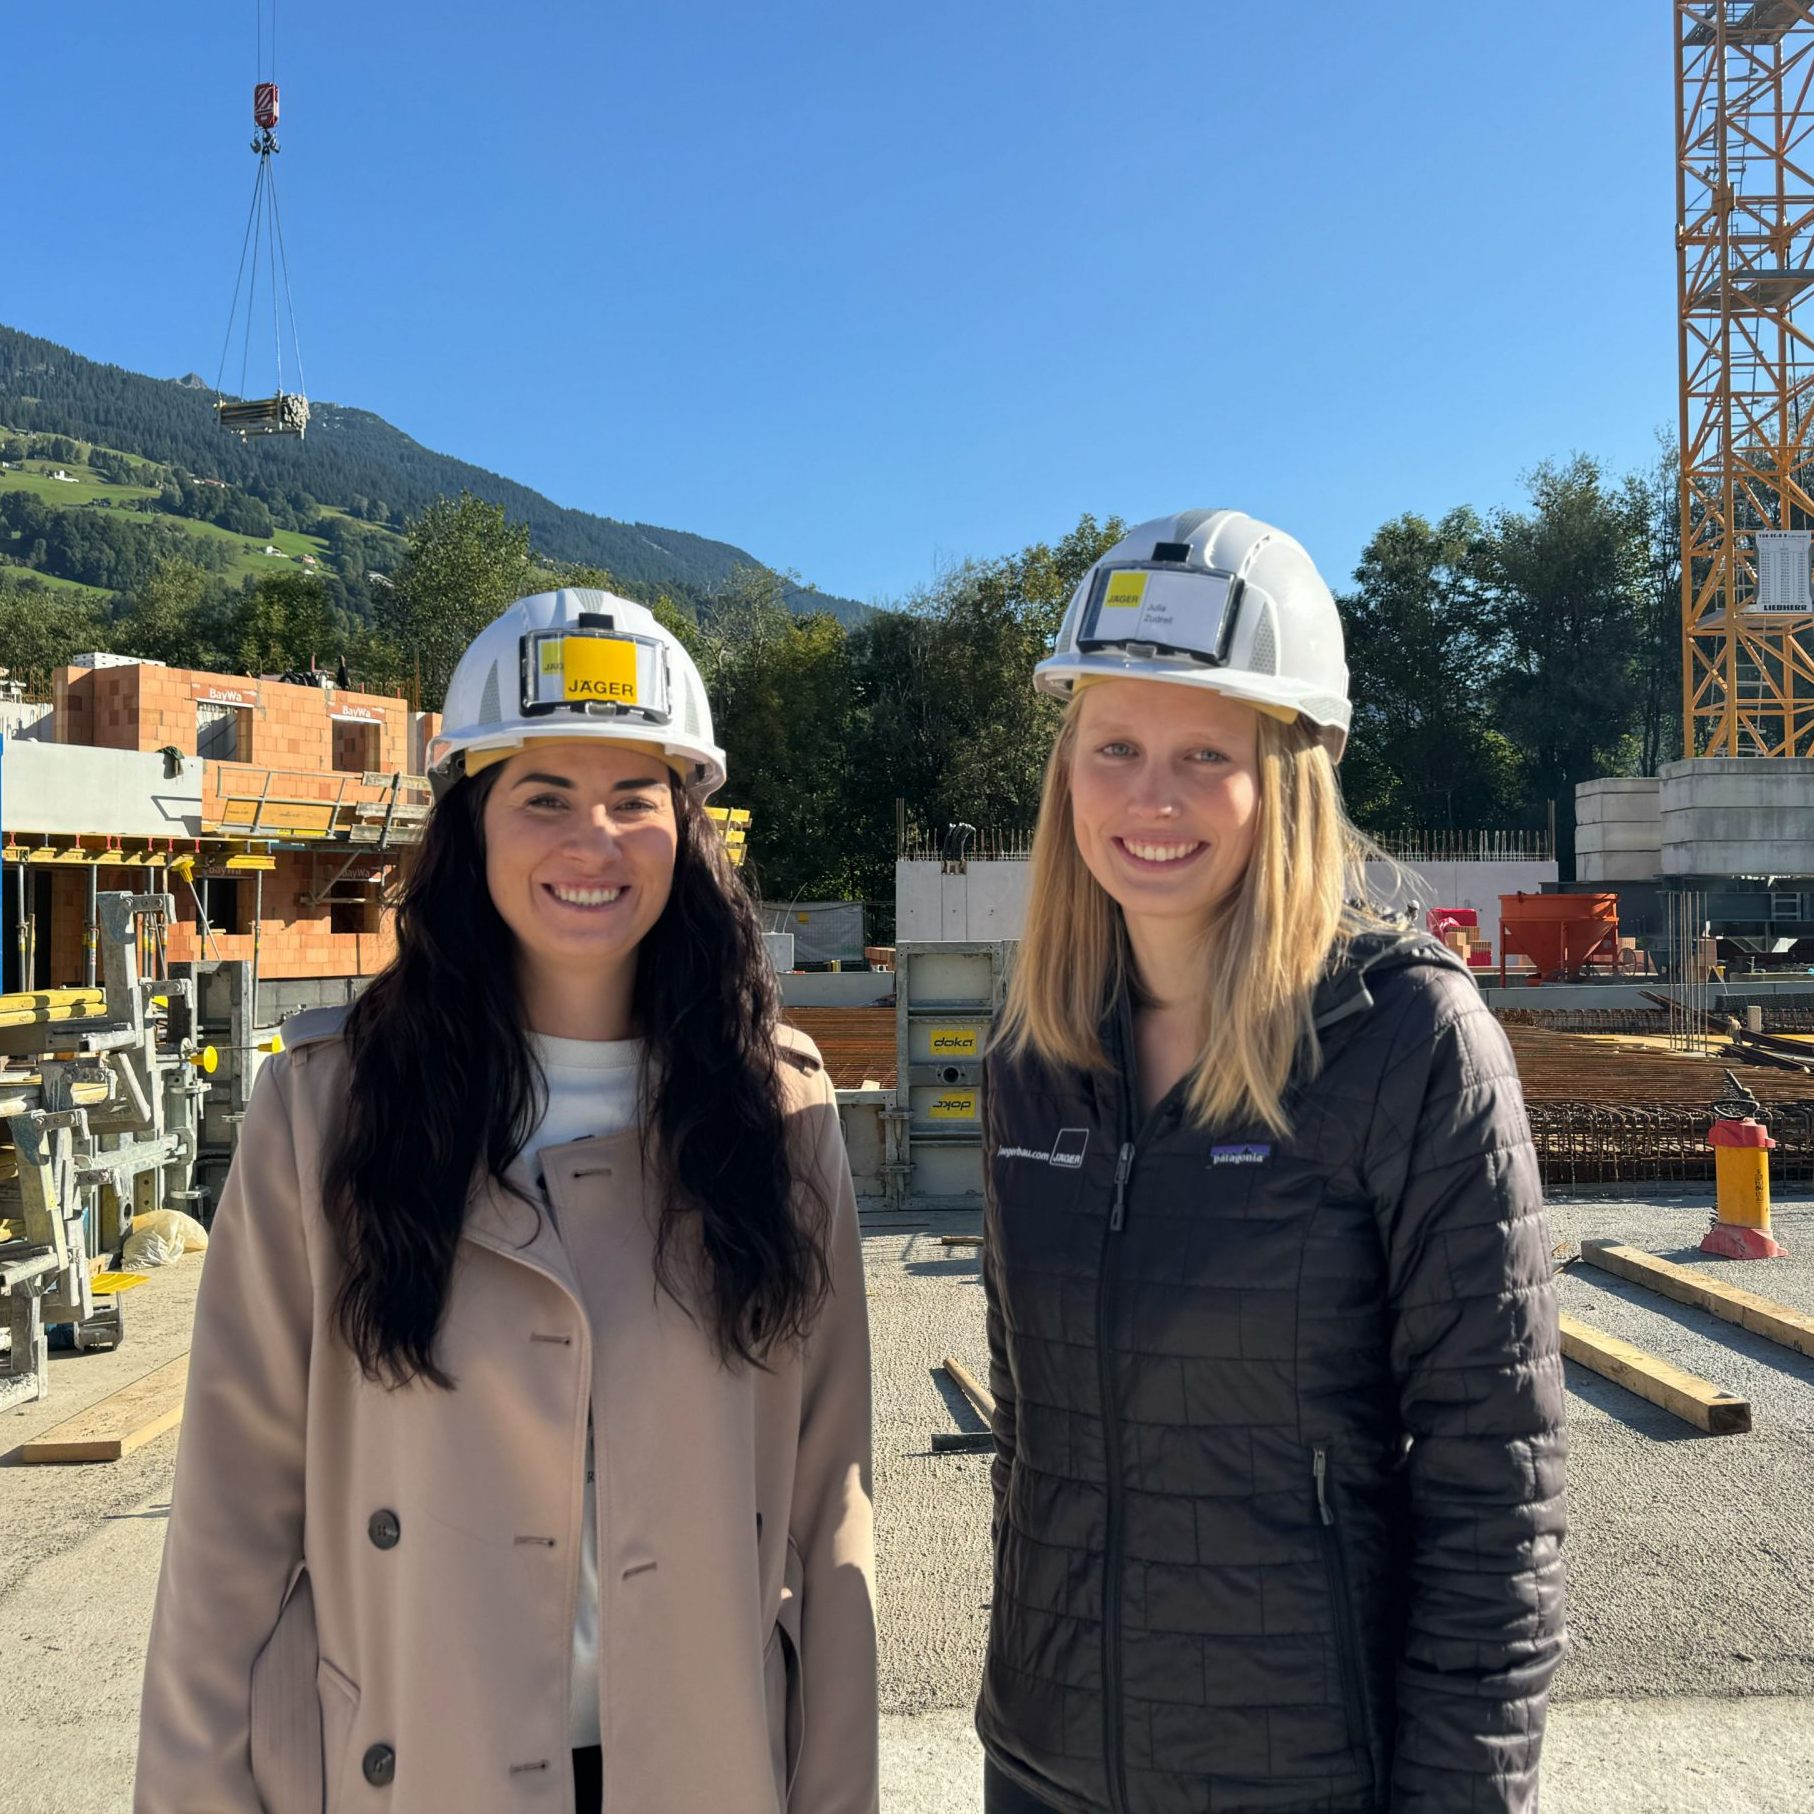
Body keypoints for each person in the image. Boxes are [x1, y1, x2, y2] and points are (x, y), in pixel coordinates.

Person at [136, 590, 879, 1813]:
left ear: (687, 831)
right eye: (543, 795)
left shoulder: (777, 1118)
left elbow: (828, 1502)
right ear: (471, 823)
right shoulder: (329, 1111)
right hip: (418, 1767)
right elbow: (228, 1521)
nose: (592, 840)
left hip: (705, 1772)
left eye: (635, 799)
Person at [975, 513, 1566, 1814]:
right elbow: (1029, 1431)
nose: (1150, 797)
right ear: (1066, 764)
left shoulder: (1405, 1043)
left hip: (1300, 1778)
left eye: (1205, 753)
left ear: (1288, 774)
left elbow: (1496, 1495)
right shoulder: (1032, 1053)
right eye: (1114, 746)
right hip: (1038, 1767)